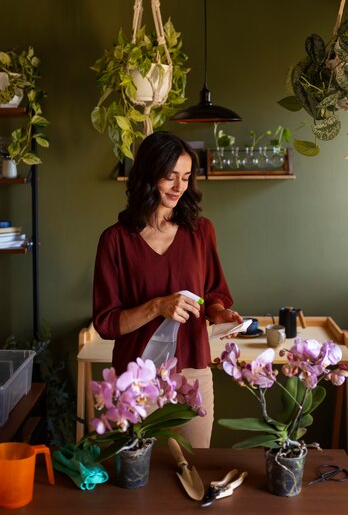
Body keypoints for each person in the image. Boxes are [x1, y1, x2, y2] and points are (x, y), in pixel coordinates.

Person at [93, 131, 242, 447]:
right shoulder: (115, 241)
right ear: (148, 176)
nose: (179, 187)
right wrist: (157, 306)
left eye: (186, 178)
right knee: (134, 477)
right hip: (134, 378)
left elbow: (214, 292)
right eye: (170, 177)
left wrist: (219, 314)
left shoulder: (202, 232)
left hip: (192, 371)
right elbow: (107, 323)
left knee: (193, 468)